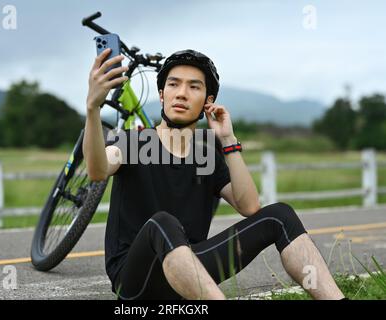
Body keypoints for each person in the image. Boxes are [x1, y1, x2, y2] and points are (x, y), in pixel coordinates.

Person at [83, 48, 345, 300]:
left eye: (194, 87)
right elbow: (97, 170)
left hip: (190, 272)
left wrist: (228, 139)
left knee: (280, 216)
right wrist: (93, 109)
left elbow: (250, 206)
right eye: (174, 85)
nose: (182, 94)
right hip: (135, 281)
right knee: (162, 222)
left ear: (208, 101)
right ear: (162, 94)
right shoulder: (131, 143)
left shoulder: (206, 156)